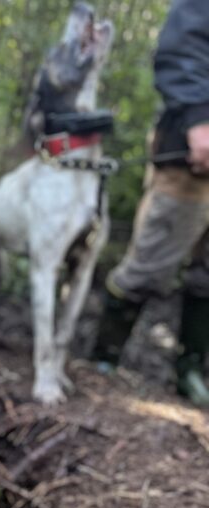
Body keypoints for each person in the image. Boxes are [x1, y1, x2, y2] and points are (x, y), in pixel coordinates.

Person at [94, 0, 209, 406]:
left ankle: (190, 371)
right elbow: (181, 48)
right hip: (190, 157)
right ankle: (102, 364)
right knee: (149, 266)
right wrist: (199, 120)